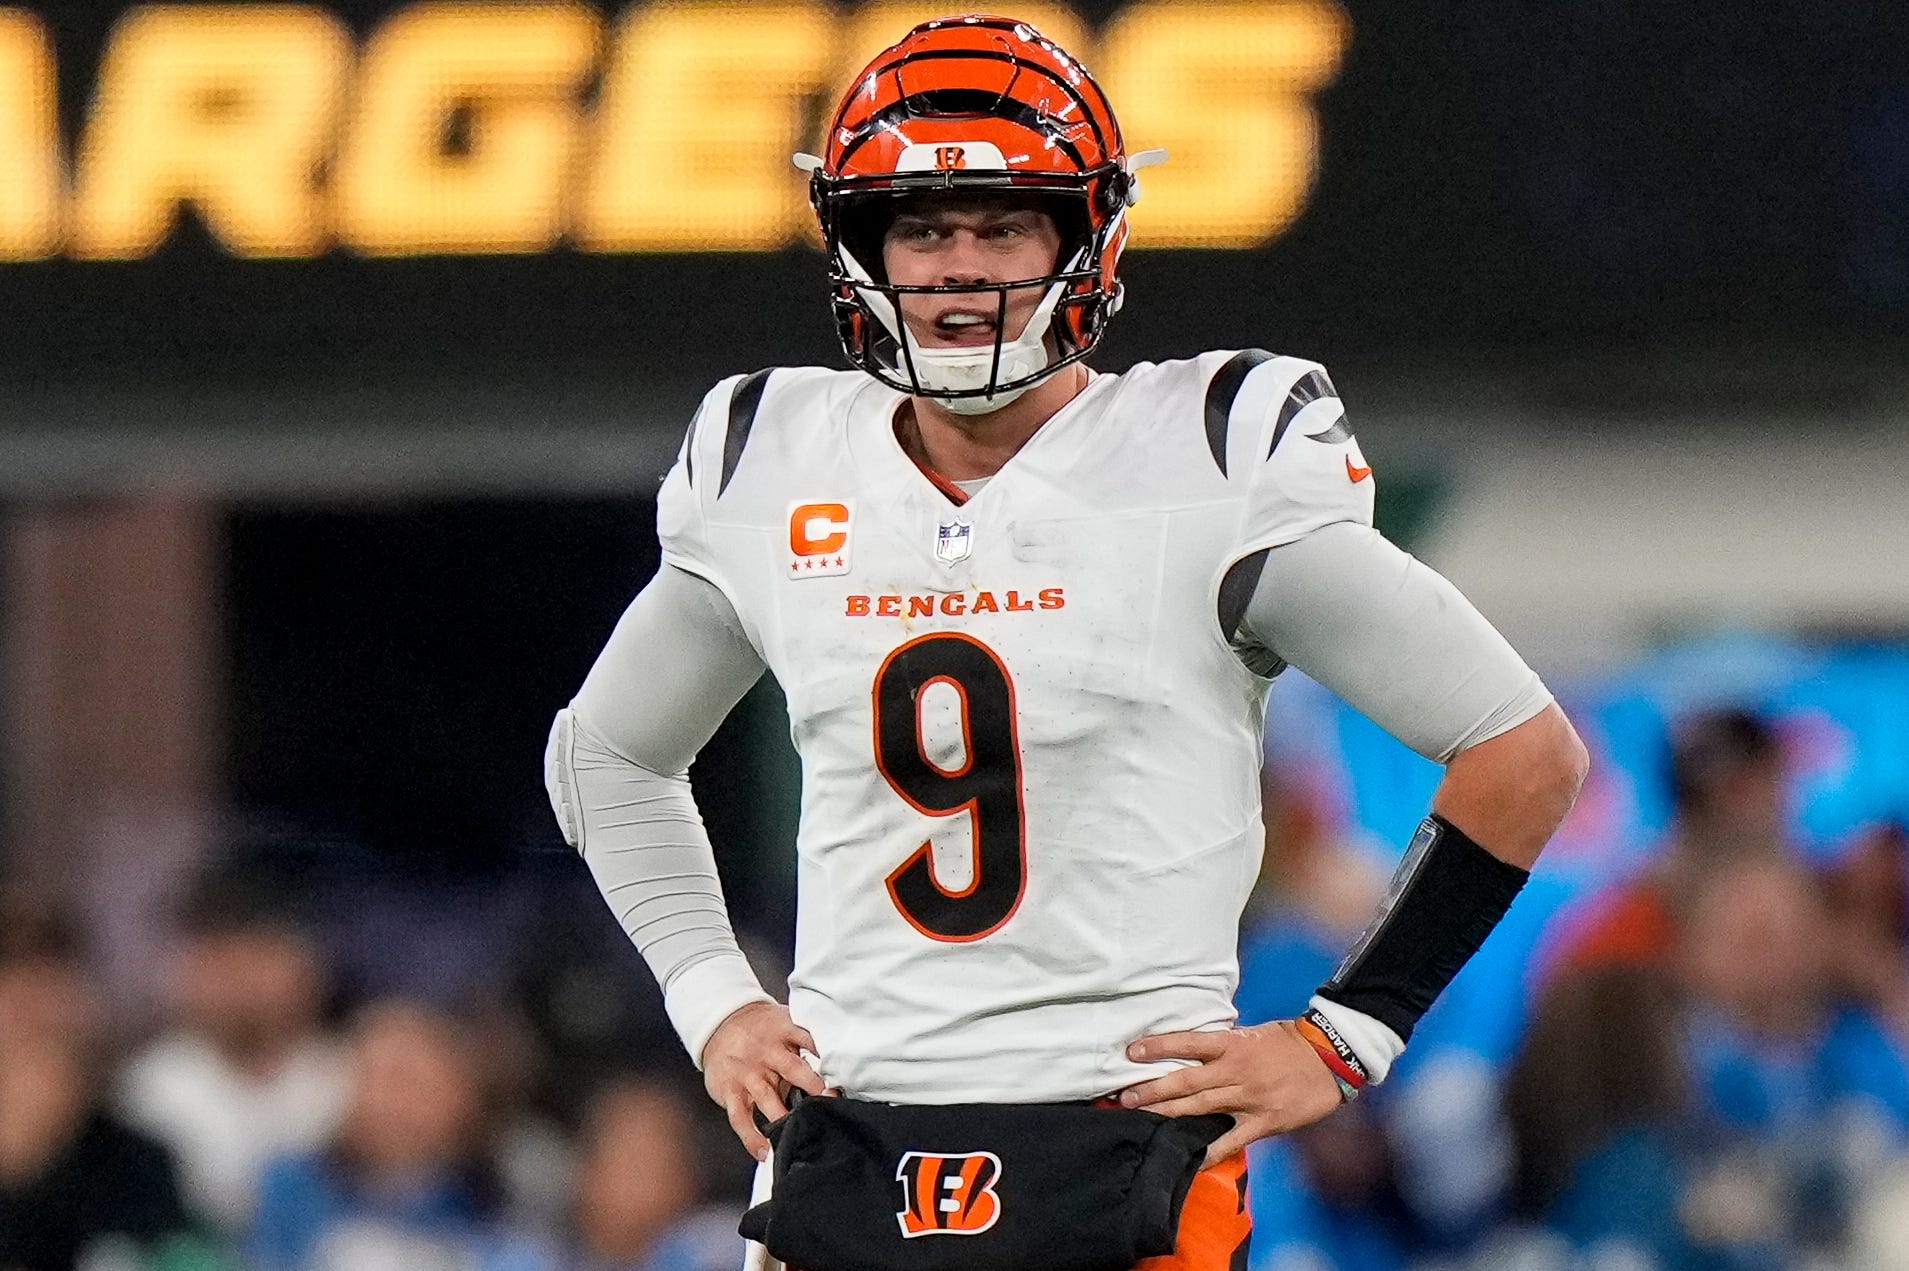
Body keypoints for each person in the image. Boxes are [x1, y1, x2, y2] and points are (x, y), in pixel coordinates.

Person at [544, 15, 1587, 1270]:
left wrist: (1345, 1032)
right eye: (922, 228)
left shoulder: (1206, 457)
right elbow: (605, 755)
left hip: (1124, 1134)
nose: (959, 266)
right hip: (844, 1134)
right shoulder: (771, 458)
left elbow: (1521, 751)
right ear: (861, 247)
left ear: (1083, 236)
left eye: (1004, 225)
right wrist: (712, 998)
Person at [117, 879, 348, 1236]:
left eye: (261, 958)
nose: (245, 984)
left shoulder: (346, 1078)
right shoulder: (150, 1088)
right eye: (225, 964)